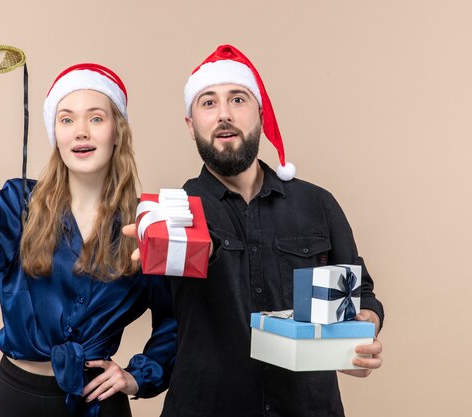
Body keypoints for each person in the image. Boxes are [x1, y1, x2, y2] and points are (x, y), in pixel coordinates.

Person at [125, 44, 384, 417]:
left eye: (238, 99)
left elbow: (363, 293)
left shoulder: (317, 204)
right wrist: (132, 376)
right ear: (190, 124)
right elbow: (156, 323)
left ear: (261, 115)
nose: (224, 115)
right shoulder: (170, 214)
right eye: (208, 103)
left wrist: (363, 328)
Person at [0, 63, 177, 417]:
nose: (81, 132)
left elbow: (176, 320)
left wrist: (137, 377)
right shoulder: (19, 204)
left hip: (100, 404)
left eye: (96, 119)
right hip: (18, 398)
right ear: (55, 133)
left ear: (117, 132)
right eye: (67, 119)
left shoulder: (146, 222)